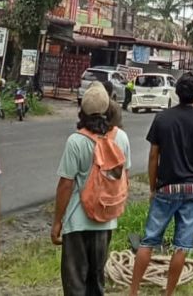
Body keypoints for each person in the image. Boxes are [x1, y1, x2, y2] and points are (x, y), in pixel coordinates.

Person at [129, 73, 193, 296]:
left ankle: (133, 291)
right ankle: (168, 293)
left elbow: (153, 157)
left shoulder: (162, 119)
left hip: (166, 188)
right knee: (182, 246)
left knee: (148, 241)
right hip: (192, 190)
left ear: (177, 93)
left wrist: (152, 187)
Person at [51, 82, 131, 296]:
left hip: (77, 222)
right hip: (105, 221)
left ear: (82, 110)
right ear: (108, 108)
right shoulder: (120, 138)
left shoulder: (76, 141)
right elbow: (125, 178)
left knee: (75, 283)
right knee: (96, 282)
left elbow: (65, 185)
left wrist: (57, 221)